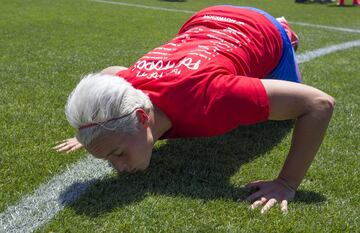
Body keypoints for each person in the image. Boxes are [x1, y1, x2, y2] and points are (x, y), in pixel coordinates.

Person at [54, 6, 335, 214]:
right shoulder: (127, 86)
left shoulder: (212, 96)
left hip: (261, 29)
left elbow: (319, 104)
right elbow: (111, 72)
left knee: (277, 118)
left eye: (117, 153)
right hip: (203, 21)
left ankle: (286, 31)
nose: (118, 166)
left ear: (142, 117)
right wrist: (92, 132)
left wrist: (287, 183)